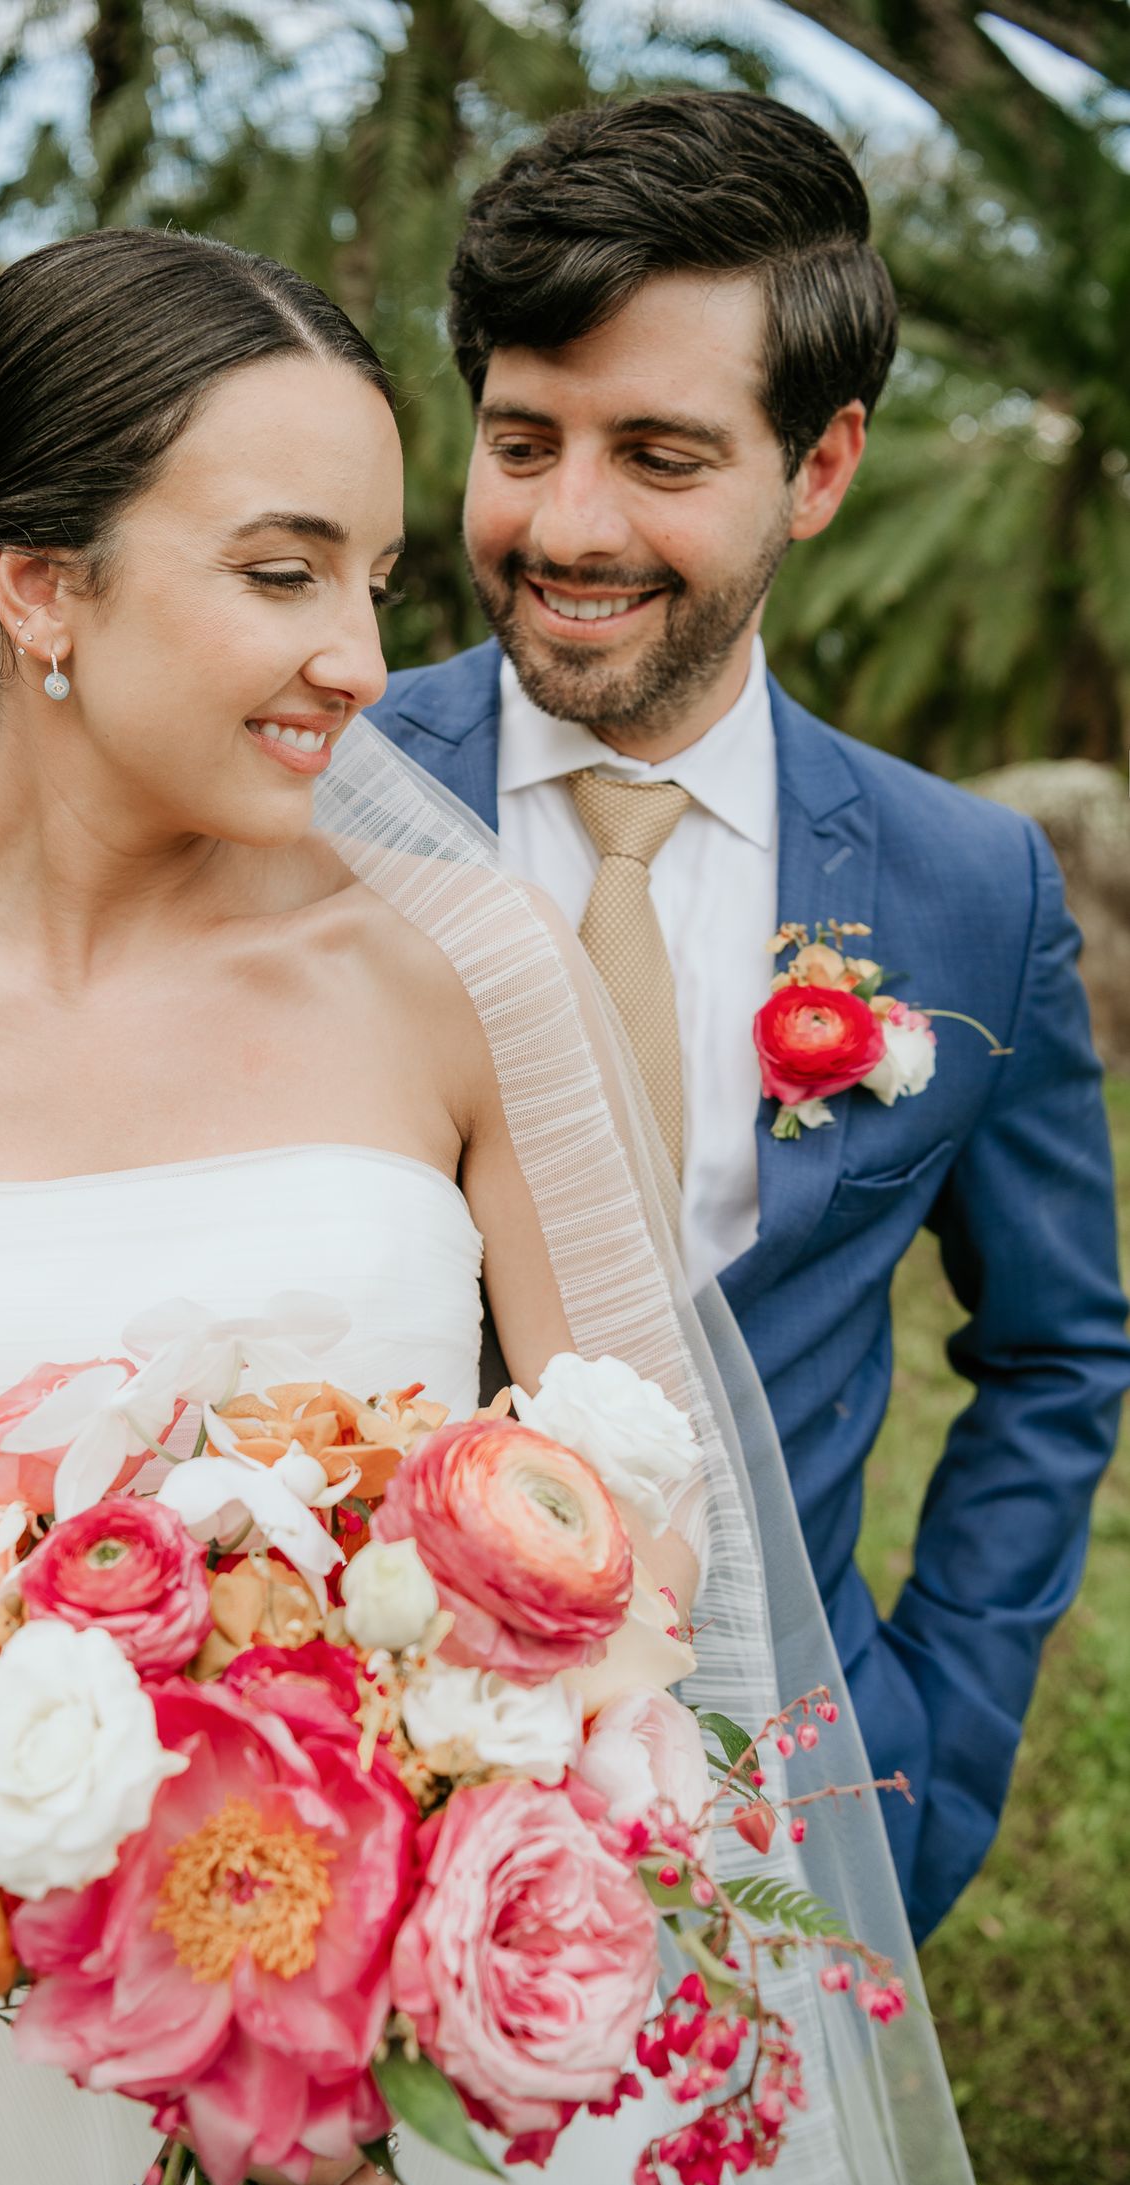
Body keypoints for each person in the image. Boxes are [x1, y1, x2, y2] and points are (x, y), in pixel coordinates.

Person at [0, 231, 983, 2185]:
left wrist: (396, 1944)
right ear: (38, 588)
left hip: (422, 2099)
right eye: (283, 574)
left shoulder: (465, 975)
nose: (362, 660)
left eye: (374, 578)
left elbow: (655, 1534)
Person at [375, 90, 1130, 1943]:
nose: (570, 523)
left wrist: (935, 1740)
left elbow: (1057, 1352)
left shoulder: (975, 888)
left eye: (658, 452)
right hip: (356, 1778)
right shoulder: (322, 806)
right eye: (524, 439)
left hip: (788, 1804)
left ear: (822, 465)